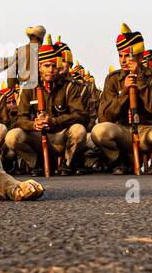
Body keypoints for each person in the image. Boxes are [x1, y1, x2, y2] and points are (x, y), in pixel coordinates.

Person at [90, 24, 152, 173]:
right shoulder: (113, 79)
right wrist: (124, 92)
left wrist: (140, 81)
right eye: (120, 56)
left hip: (148, 130)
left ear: (141, 57)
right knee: (98, 131)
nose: (123, 60)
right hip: (124, 131)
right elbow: (105, 116)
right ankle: (119, 162)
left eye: (128, 56)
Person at [6, 36, 92, 174]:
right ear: (39, 67)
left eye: (54, 66)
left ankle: (67, 163)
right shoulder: (29, 88)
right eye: (46, 66)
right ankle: (37, 163)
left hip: (61, 136)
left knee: (79, 130)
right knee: (12, 136)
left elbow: (81, 116)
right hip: (38, 137)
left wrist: (54, 121)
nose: (51, 70)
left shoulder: (69, 87)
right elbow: (20, 119)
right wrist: (34, 125)